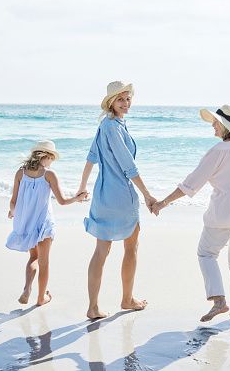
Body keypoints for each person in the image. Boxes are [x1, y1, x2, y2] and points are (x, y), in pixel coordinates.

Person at [152, 105, 230, 323]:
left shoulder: (217, 152)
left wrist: (162, 203)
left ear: (225, 126)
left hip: (224, 214)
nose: (212, 126)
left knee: (206, 254)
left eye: (215, 123)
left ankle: (219, 301)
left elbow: (191, 184)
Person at [77, 81, 157, 320]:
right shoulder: (114, 127)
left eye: (128, 98)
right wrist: (147, 194)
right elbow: (128, 166)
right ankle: (127, 299)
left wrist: (83, 187)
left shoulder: (106, 125)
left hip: (102, 195)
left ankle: (93, 307)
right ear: (111, 102)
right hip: (120, 195)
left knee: (102, 250)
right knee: (131, 246)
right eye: (120, 99)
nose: (125, 103)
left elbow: (91, 157)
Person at [6, 140, 87, 306]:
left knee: (33, 257)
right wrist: (77, 199)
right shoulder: (49, 174)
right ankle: (41, 298)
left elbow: (13, 202)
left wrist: (13, 213)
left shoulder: (20, 173)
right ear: (47, 156)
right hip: (44, 223)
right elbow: (62, 201)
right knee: (44, 261)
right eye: (52, 158)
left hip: (26, 223)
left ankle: (27, 289)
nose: (52, 162)